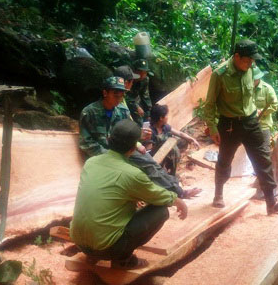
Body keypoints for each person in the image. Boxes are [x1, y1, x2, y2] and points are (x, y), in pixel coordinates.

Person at [71, 119, 188, 269]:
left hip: (80, 243)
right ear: (134, 148)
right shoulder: (132, 174)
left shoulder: (91, 163)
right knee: (160, 211)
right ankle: (124, 259)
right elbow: (158, 196)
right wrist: (178, 201)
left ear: (108, 140)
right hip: (107, 248)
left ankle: (92, 255)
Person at [203, 39, 278, 214]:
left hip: (251, 121)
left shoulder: (251, 69)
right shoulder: (220, 75)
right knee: (225, 161)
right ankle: (218, 194)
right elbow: (210, 104)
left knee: (263, 160)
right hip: (229, 125)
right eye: (247, 60)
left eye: (252, 60)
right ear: (237, 56)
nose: (251, 63)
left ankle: (271, 202)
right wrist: (212, 128)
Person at [79, 76, 200, 198]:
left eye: (122, 95)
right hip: (104, 155)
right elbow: (86, 143)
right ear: (105, 93)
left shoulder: (122, 110)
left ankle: (178, 191)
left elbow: (129, 132)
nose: (119, 98)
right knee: (132, 174)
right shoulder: (89, 112)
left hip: (125, 149)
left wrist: (137, 143)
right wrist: (109, 156)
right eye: (116, 94)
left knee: (151, 164)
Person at [148, 104, 201, 176]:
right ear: (161, 118)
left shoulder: (164, 126)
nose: (168, 117)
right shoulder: (151, 132)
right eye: (166, 115)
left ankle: (172, 163)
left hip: (167, 151)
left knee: (184, 141)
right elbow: (149, 152)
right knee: (174, 150)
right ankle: (168, 170)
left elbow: (180, 133)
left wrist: (192, 139)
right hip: (157, 156)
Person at [252, 66, 278, 146]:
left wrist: (260, 112)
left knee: (264, 149)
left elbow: (274, 105)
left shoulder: (267, 89)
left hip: (263, 125)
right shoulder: (247, 88)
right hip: (249, 125)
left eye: (253, 80)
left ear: (258, 78)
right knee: (250, 149)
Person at [125, 58, 153, 126]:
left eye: (145, 72)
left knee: (147, 116)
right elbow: (124, 95)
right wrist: (136, 107)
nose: (143, 75)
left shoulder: (145, 79)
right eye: (140, 72)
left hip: (135, 99)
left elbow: (145, 95)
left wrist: (150, 111)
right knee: (137, 118)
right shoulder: (128, 78)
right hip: (125, 100)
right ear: (134, 71)